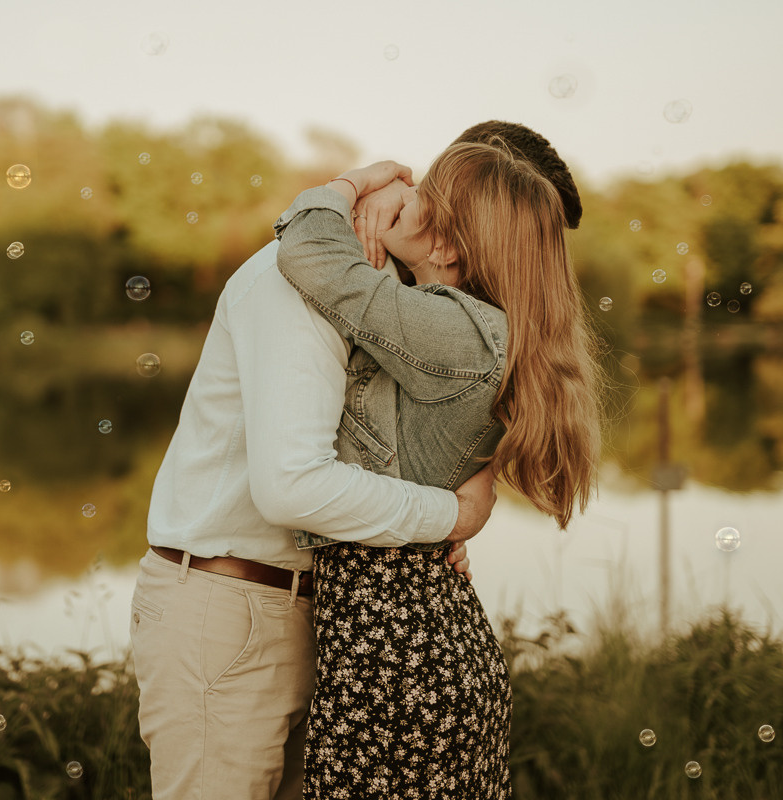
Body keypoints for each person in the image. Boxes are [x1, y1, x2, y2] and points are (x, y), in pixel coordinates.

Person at [274, 137, 601, 799]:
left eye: (422, 191)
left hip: (396, 656)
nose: (404, 192)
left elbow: (307, 252)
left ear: (449, 247)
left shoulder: (450, 329)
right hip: (425, 640)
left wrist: (353, 183)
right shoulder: (482, 329)